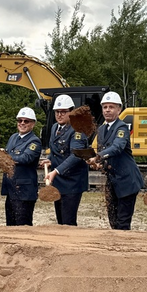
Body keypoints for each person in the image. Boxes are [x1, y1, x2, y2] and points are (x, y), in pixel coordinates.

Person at [88, 92, 143, 230]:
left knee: (122, 222)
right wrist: (99, 164)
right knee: (113, 220)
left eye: (111, 107)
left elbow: (117, 147)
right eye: (105, 107)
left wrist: (98, 156)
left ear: (119, 109)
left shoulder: (122, 127)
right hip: (112, 181)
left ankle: (123, 249)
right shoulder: (101, 129)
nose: (107, 110)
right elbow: (108, 154)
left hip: (126, 181)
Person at [41, 94, 89, 226]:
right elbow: (56, 151)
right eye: (57, 111)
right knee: (60, 219)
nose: (59, 115)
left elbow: (76, 155)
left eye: (63, 112)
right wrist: (50, 159)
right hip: (59, 181)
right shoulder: (54, 128)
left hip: (72, 182)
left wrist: (56, 171)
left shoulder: (77, 129)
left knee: (68, 222)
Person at [1, 107, 42, 226]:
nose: (22, 123)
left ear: (33, 124)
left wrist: (5, 157)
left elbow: (26, 158)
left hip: (24, 192)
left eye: (26, 121)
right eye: (20, 120)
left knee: (23, 227)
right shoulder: (13, 137)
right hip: (11, 190)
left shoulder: (34, 141)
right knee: (10, 225)